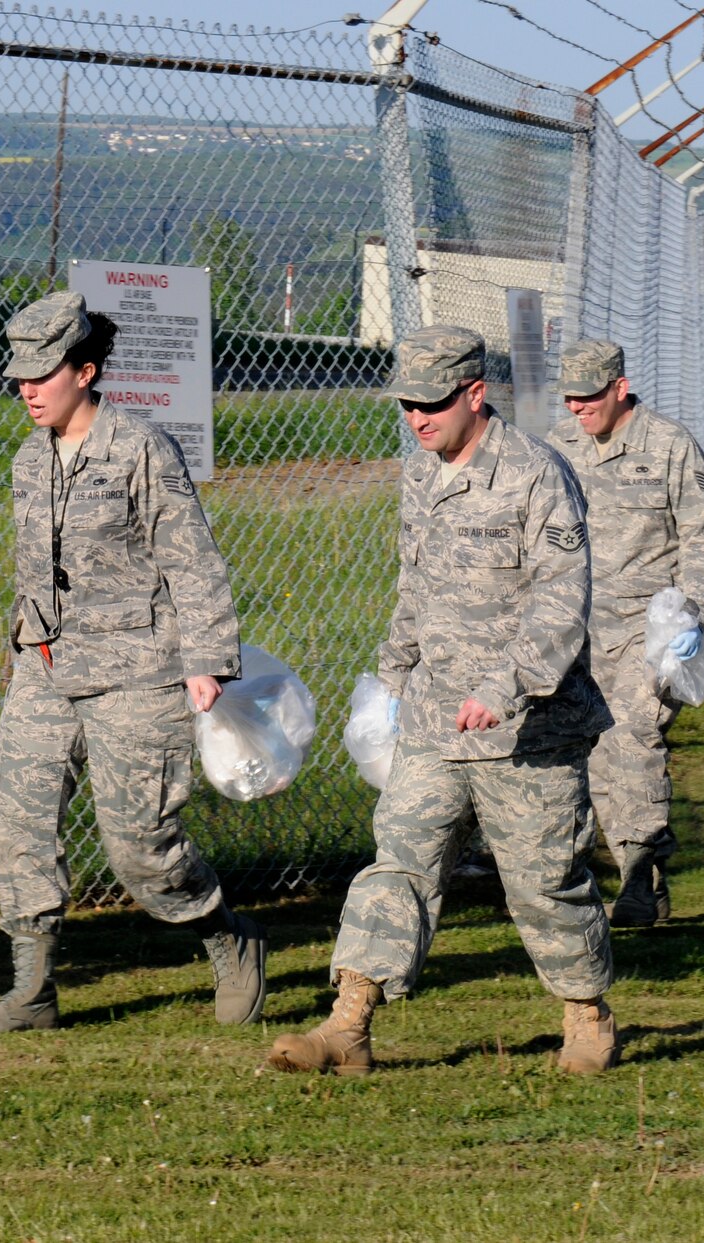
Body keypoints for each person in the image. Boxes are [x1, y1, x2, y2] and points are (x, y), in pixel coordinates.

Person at [267, 326, 617, 1077]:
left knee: (545, 880)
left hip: (529, 729)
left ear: (474, 394)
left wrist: (503, 687)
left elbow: (563, 601)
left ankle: (586, 1013)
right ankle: (349, 1023)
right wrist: (388, 680)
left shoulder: (535, 475)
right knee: (399, 859)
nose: (417, 418)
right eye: (406, 404)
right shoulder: (420, 473)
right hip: (433, 721)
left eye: (431, 403)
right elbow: (414, 589)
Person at [0, 290, 265, 1033]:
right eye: (20, 377)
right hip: (48, 669)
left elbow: (191, 558)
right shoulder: (28, 460)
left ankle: (229, 936)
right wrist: (22, 646)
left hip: (140, 670)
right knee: (18, 822)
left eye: (43, 375)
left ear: (86, 370)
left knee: (142, 847)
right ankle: (33, 989)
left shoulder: (138, 448)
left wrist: (206, 658)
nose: (27, 390)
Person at [548, 340, 704, 927]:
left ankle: (639, 871)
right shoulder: (557, 448)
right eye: (570, 398)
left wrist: (691, 614)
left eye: (589, 397)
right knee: (596, 752)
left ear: (619, 388)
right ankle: (632, 866)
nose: (579, 408)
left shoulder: (670, 445)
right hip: (575, 631)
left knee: (633, 735)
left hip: (645, 630)